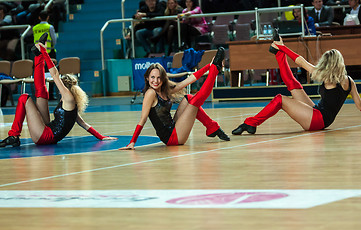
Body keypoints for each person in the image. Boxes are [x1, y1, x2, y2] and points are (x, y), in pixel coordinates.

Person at [232, 31, 361, 135]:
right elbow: (360, 106)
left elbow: (301, 61)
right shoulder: (350, 81)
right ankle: (278, 53)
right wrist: (281, 49)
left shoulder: (328, 78)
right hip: (318, 114)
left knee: (280, 100)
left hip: (317, 120)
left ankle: (250, 124)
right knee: (293, 85)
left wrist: (284, 47)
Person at [0, 33, 117, 147]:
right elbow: (84, 124)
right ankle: (38, 56)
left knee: (24, 97)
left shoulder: (68, 97)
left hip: (44, 137)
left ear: (65, 86)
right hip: (47, 131)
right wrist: (101, 137)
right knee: (42, 93)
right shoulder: (70, 103)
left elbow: (55, 74)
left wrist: (45, 52)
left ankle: (14, 136)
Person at [120, 47, 229, 150]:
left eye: (159, 78)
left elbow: (189, 80)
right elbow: (143, 119)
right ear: (147, 78)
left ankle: (211, 127)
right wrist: (132, 142)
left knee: (189, 98)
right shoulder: (150, 93)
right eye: (152, 77)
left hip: (173, 128)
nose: (155, 81)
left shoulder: (163, 90)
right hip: (172, 138)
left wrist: (208, 65)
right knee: (195, 102)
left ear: (163, 79)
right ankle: (215, 69)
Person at [33, 10, 57, 100]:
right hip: (49, 52)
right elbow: (54, 40)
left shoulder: (35, 28)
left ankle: (41, 94)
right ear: (48, 17)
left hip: (38, 53)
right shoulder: (49, 27)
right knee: (51, 74)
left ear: (39, 17)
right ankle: (50, 94)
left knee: (40, 73)